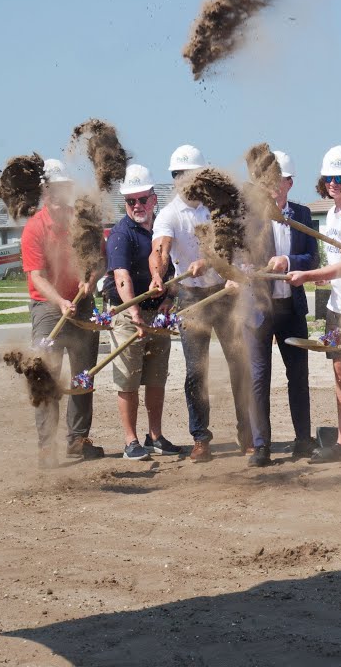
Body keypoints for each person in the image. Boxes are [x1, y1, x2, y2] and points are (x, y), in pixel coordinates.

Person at [149, 144, 250, 463]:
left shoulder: (218, 206)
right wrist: (157, 276)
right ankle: (200, 438)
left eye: (188, 174)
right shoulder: (168, 214)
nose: (182, 180)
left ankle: (247, 433)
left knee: (239, 364)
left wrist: (221, 266)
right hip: (191, 298)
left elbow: (235, 245)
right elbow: (160, 250)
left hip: (224, 291)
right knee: (196, 370)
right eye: (177, 175)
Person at [283, 145, 341, 463]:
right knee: (339, 374)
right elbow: (336, 264)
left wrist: (308, 274)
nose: (334, 182)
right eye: (329, 177)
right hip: (337, 305)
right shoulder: (332, 214)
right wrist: (321, 277)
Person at [20, 158, 102, 468]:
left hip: (81, 302)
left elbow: (96, 261)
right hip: (48, 307)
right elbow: (37, 276)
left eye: (65, 187)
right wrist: (60, 302)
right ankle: (46, 447)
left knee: (84, 374)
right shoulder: (35, 228)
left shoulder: (82, 222)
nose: (61, 194)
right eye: (55, 189)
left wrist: (90, 278)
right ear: (45, 192)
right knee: (46, 375)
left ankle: (77, 440)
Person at [240, 150, 319, 467]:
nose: (272, 186)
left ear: (289, 182)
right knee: (258, 378)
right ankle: (261, 446)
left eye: (278, 180)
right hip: (258, 308)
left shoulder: (301, 215)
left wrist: (289, 261)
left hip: (292, 307)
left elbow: (313, 258)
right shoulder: (249, 215)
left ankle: (303, 440)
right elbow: (236, 254)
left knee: (298, 376)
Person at [106, 164, 181, 460]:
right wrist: (135, 313)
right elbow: (121, 276)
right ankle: (130, 440)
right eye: (130, 201)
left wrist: (169, 299)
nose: (137, 206)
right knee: (128, 378)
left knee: (155, 378)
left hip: (157, 314)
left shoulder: (163, 229)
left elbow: (176, 267)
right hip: (128, 314)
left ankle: (155, 436)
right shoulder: (121, 234)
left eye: (142, 199)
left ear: (153, 199)